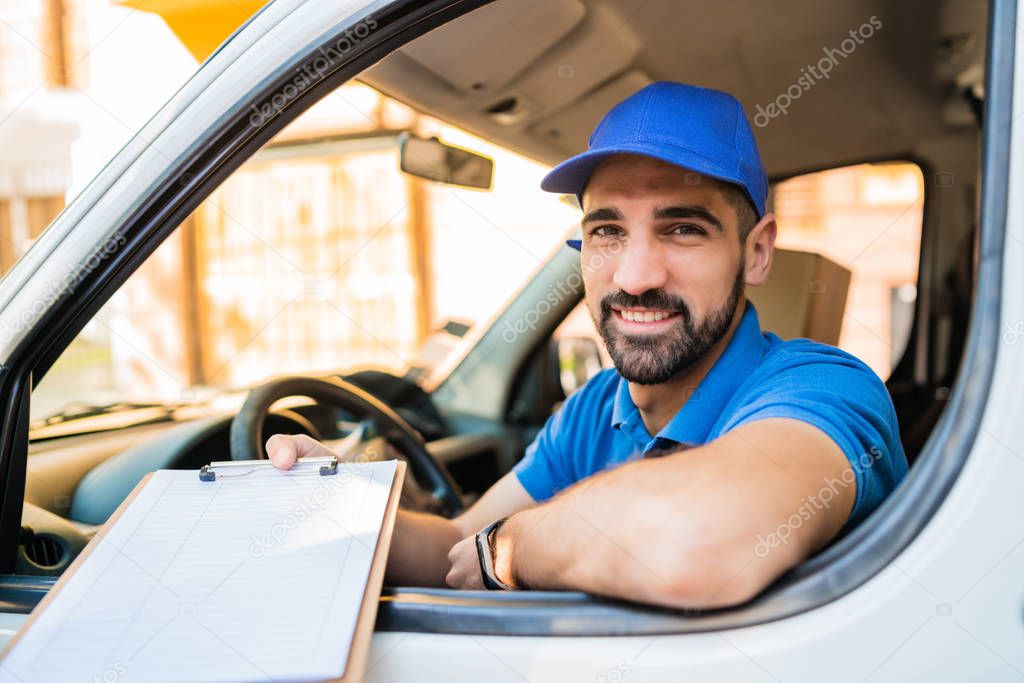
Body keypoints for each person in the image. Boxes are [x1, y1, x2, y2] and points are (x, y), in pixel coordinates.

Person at [268, 81, 908, 610]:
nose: (635, 276)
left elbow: (698, 542)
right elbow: (454, 548)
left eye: (683, 228)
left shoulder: (826, 388)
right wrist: (343, 505)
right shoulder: (595, 408)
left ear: (758, 251)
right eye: (607, 231)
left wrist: (510, 550)